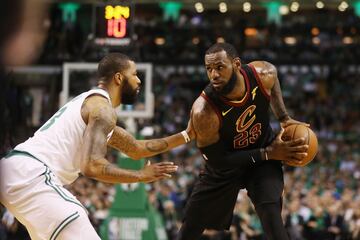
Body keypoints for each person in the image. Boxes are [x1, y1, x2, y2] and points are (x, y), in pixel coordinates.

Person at [0, 53, 195, 240]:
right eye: (134, 74)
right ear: (119, 78)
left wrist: (187, 135)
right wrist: (141, 176)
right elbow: (91, 167)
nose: (139, 81)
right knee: (77, 215)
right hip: (32, 174)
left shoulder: (95, 108)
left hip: (16, 172)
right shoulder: (102, 110)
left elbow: (137, 148)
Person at [177, 43, 309, 240]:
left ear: (236, 64)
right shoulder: (203, 111)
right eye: (209, 69)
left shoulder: (263, 74)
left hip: (263, 152)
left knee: (271, 213)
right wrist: (268, 153)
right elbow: (217, 160)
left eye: (219, 67)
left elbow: (273, 84)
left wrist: (283, 117)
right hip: (226, 165)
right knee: (191, 227)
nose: (213, 75)